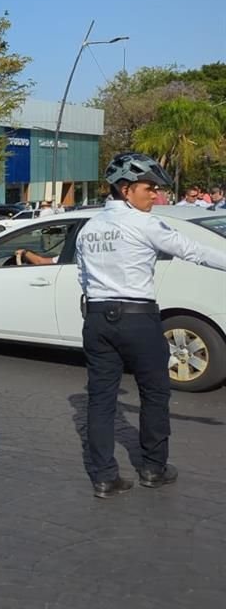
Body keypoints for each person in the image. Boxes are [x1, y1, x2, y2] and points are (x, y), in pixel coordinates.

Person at [76, 153, 226, 500]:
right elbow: (194, 251)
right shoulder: (143, 224)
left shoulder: (89, 229)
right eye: (149, 188)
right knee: (155, 394)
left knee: (99, 401)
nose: (156, 197)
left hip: (97, 318)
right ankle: (153, 469)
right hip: (137, 318)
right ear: (126, 189)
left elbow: (82, 277)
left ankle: (104, 478)